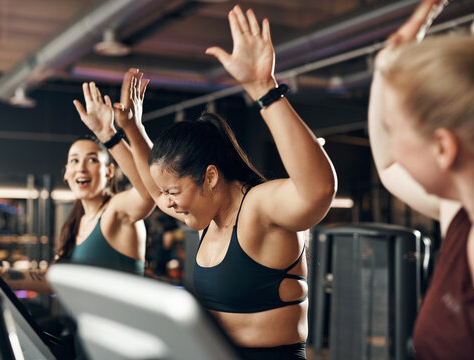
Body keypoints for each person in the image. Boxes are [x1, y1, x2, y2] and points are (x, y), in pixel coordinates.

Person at [113, 6, 337, 359]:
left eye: (175, 191)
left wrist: (265, 89)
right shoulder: (207, 219)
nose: (167, 202)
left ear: (211, 177)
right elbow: (157, 192)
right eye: (168, 193)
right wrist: (131, 130)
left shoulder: (259, 208)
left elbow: (318, 191)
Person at [368, 0, 474, 358]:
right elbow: (387, 165)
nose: (393, 140)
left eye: (397, 129)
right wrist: (385, 71)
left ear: (443, 147)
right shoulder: (459, 211)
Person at [0, 71, 154, 294]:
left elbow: (150, 193)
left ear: (109, 172)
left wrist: (108, 134)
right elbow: (55, 280)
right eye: (74, 160)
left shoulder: (116, 211)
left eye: (92, 160)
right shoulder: (77, 222)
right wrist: (3, 274)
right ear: (66, 173)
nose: (81, 168)